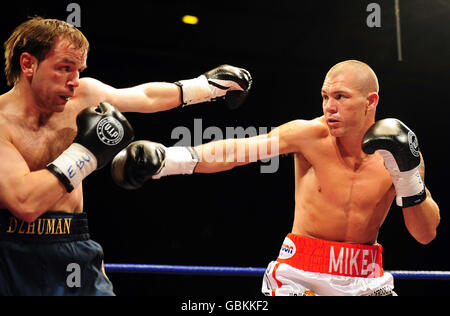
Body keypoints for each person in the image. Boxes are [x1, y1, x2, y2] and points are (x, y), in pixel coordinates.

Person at [111, 60, 440, 296]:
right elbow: (239, 151)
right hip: (301, 274)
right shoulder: (309, 134)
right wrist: (169, 160)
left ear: (371, 102)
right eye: (325, 97)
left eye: (340, 97)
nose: (329, 107)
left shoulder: (400, 155)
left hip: (365, 276)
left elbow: (425, 234)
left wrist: (408, 177)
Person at [0, 16, 252, 296]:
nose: (74, 81)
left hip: (74, 241)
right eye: (65, 68)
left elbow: (145, 96)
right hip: (13, 250)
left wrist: (205, 87)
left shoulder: (82, 95)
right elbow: (24, 202)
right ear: (28, 64)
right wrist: (87, 152)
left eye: (79, 70)